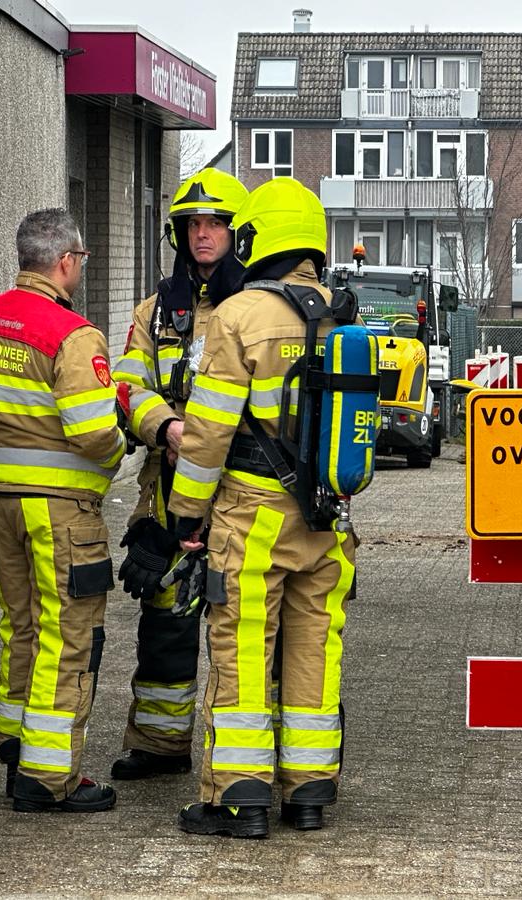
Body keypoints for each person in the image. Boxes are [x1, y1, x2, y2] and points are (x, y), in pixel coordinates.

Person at [164, 177, 358, 838]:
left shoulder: (238, 315)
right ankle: (309, 792)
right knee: (315, 650)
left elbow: (208, 433)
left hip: (252, 514)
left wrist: (187, 514)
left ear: (255, 238)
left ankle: (239, 797)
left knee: (242, 646)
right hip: (327, 518)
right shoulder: (342, 314)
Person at [0, 209, 125, 813]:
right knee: (68, 634)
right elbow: (95, 432)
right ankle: (49, 780)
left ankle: (16, 749)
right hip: (60, 511)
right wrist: (120, 448)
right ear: (67, 261)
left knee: (19, 625)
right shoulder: (74, 335)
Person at [110, 167, 248, 781]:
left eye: (215, 223)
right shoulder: (155, 310)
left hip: (241, 485)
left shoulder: (256, 307)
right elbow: (125, 386)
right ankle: (159, 744)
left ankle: (247, 756)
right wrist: (165, 426)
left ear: (238, 233)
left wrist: (214, 439)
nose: (202, 234)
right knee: (166, 612)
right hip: (166, 486)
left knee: (241, 614)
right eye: (192, 224)